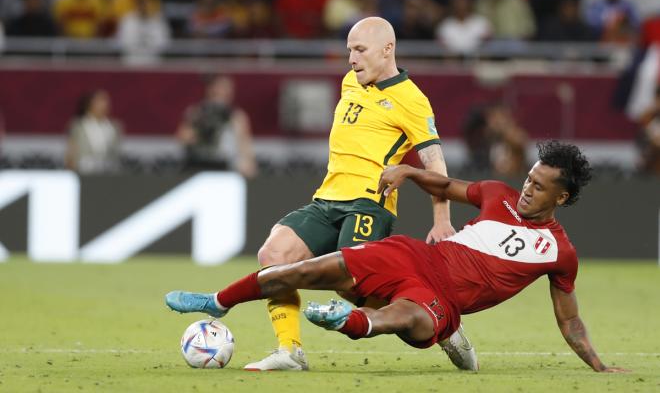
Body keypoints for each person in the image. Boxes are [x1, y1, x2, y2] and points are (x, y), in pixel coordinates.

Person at [166, 141, 627, 373]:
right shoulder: (497, 195)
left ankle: (348, 321)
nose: (527, 188)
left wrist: (599, 366)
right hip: (415, 256)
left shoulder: (560, 252)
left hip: (443, 299)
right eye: (529, 178)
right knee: (307, 269)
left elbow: (569, 320)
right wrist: (410, 170)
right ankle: (219, 300)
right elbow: (447, 187)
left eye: (540, 185)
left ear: (561, 197)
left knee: (408, 317)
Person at [189, 16, 460, 372]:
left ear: (387, 49)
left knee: (351, 287)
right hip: (327, 199)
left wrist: (442, 219)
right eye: (349, 50)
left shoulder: (412, 100)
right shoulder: (352, 81)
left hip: (369, 203)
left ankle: (441, 323)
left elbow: (434, 161)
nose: (351, 58)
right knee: (274, 254)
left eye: (360, 50)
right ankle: (290, 351)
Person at [176, 75, 257, 178]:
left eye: (226, 88)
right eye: (218, 88)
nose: (221, 92)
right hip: (197, 164)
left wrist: (249, 162)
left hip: (225, 166)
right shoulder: (196, 112)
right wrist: (202, 129)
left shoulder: (237, 116)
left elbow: (244, 142)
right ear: (209, 89)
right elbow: (183, 137)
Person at [65, 89, 122, 173]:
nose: (105, 104)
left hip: (108, 171)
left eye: (106, 101)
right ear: (89, 103)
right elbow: (71, 151)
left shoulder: (114, 126)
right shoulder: (78, 126)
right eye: (100, 101)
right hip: (83, 172)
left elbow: (117, 152)